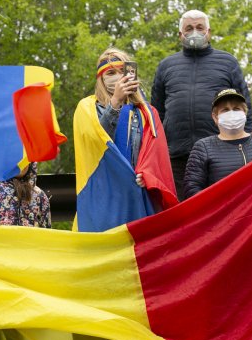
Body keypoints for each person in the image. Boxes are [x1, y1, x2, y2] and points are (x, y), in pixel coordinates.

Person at [151, 9, 252, 199]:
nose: (194, 32)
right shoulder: (166, 66)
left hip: (219, 152)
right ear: (181, 34)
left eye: (199, 27)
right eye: (189, 28)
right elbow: (156, 113)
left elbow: (245, 107)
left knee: (220, 206)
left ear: (209, 32)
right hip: (176, 156)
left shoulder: (227, 62)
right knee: (180, 212)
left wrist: (244, 146)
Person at [73, 48, 177, 232]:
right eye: (110, 73)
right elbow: (95, 142)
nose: (117, 77)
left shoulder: (147, 113)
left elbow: (156, 155)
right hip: (103, 197)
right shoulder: (87, 108)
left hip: (136, 196)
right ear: (101, 79)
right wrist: (115, 103)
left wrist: (148, 176)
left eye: (122, 71)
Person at [184, 88, 252, 198]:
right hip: (224, 214)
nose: (231, 113)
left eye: (236, 108)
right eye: (225, 110)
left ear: (245, 113)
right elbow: (191, 190)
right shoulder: (203, 147)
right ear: (215, 117)